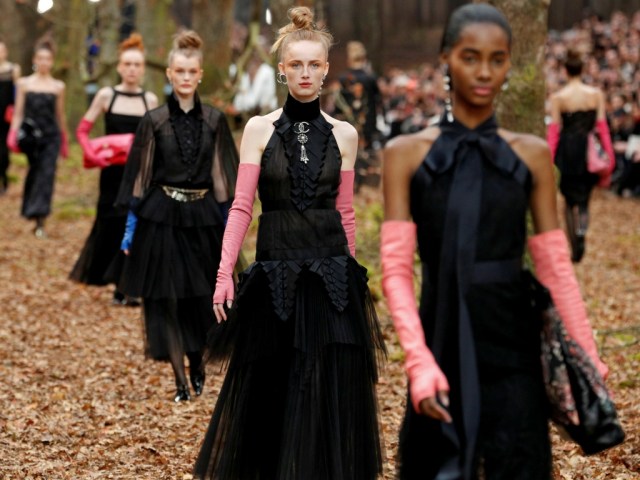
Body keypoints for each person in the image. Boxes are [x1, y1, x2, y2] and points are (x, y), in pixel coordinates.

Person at [381, 4, 608, 479]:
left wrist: (585, 356)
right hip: (440, 336)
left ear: (509, 62)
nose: (484, 72)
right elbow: (396, 272)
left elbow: (554, 267)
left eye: (497, 59)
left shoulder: (532, 155)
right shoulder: (404, 155)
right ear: (446, 57)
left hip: (515, 346)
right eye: (470, 57)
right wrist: (418, 362)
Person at [193, 7, 385, 479]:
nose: (304, 73)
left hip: (331, 277)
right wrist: (224, 274)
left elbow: (345, 212)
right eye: (295, 64)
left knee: (327, 388)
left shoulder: (345, 135)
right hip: (276, 273)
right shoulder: (259, 130)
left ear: (325, 69)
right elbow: (241, 207)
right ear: (282, 69)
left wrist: (354, 278)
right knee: (273, 385)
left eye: (313, 64)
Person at [112, 30, 239, 402]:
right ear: (169, 73)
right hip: (161, 217)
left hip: (202, 219)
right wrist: (130, 229)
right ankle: (179, 380)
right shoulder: (153, 121)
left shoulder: (215, 121)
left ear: (200, 75)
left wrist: (229, 229)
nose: (185, 77)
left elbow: (221, 180)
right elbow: (140, 178)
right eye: (179, 71)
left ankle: (197, 363)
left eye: (191, 71)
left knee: (200, 298)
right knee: (163, 299)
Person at [69, 33, 158, 305]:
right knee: (111, 223)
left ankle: (127, 286)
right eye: (127, 64)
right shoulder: (106, 95)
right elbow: (82, 130)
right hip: (111, 174)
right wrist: (93, 154)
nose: (132, 69)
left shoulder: (150, 100)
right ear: (119, 67)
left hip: (138, 175)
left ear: (143, 69)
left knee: (135, 224)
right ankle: (112, 281)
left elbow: (154, 140)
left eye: (137, 65)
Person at [547, 49, 615, 262]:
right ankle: (582, 232)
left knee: (568, 201)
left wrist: (549, 158)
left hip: (567, 151)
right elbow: (602, 127)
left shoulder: (559, 97)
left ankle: (574, 245)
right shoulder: (595, 95)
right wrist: (609, 155)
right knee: (584, 199)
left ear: (565, 71)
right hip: (588, 151)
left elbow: (554, 131)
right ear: (582, 70)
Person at [7, 39, 68, 237]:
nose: (44, 62)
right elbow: (18, 112)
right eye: (40, 58)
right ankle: (30, 209)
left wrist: (64, 139)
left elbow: (60, 115)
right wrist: (13, 133)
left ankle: (41, 218)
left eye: (47, 59)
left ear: (52, 61)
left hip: (51, 137)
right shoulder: (24, 83)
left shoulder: (58, 86)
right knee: (34, 172)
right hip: (31, 137)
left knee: (47, 174)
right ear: (35, 60)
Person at [0, 37, 21, 195]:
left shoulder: (14, 69)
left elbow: (19, 93)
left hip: (6, 116)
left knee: (3, 150)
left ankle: (4, 178)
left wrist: (17, 113)